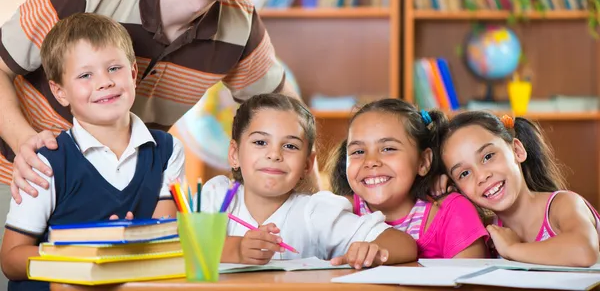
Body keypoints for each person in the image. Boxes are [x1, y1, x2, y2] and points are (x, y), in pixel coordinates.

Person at [0, 0, 311, 283]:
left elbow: (288, 115)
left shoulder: (241, 25)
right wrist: (25, 144)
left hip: (132, 191)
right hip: (24, 174)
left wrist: (315, 211)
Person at [0, 13, 185, 290]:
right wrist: (81, 253)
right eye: (86, 75)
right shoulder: (45, 160)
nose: (104, 82)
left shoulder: (168, 151)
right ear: (60, 92)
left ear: (133, 74)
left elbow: (163, 240)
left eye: (114, 69)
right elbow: (12, 260)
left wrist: (131, 244)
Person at [200, 93, 418, 268]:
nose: (274, 154)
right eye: (260, 142)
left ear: (307, 164)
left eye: (290, 146)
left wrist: (374, 252)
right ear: (234, 154)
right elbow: (183, 250)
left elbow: (403, 244)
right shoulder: (215, 197)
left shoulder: (315, 212)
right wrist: (236, 250)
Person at [327, 99, 488, 259]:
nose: (370, 162)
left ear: (423, 161)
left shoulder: (452, 212)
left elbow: (471, 282)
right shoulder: (338, 213)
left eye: (388, 148)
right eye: (358, 152)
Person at [439, 111, 600, 266]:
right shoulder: (489, 234)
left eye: (488, 156)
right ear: (458, 188)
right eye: (464, 173)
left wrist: (512, 249)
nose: (481, 177)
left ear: (517, 150)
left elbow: (584, 251)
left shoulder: (563, 205)